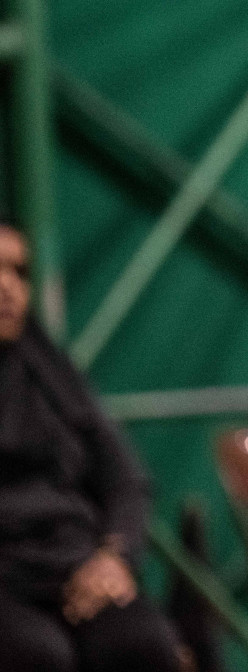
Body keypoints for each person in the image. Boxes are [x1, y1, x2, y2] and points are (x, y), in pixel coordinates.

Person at [0, 224, 186, 672]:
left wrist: (115, 558)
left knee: (142, 644)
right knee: (41, 658)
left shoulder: (49, 371)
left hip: (74, 566)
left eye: (18, 272)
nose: (6, 286)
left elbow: (126, 478)